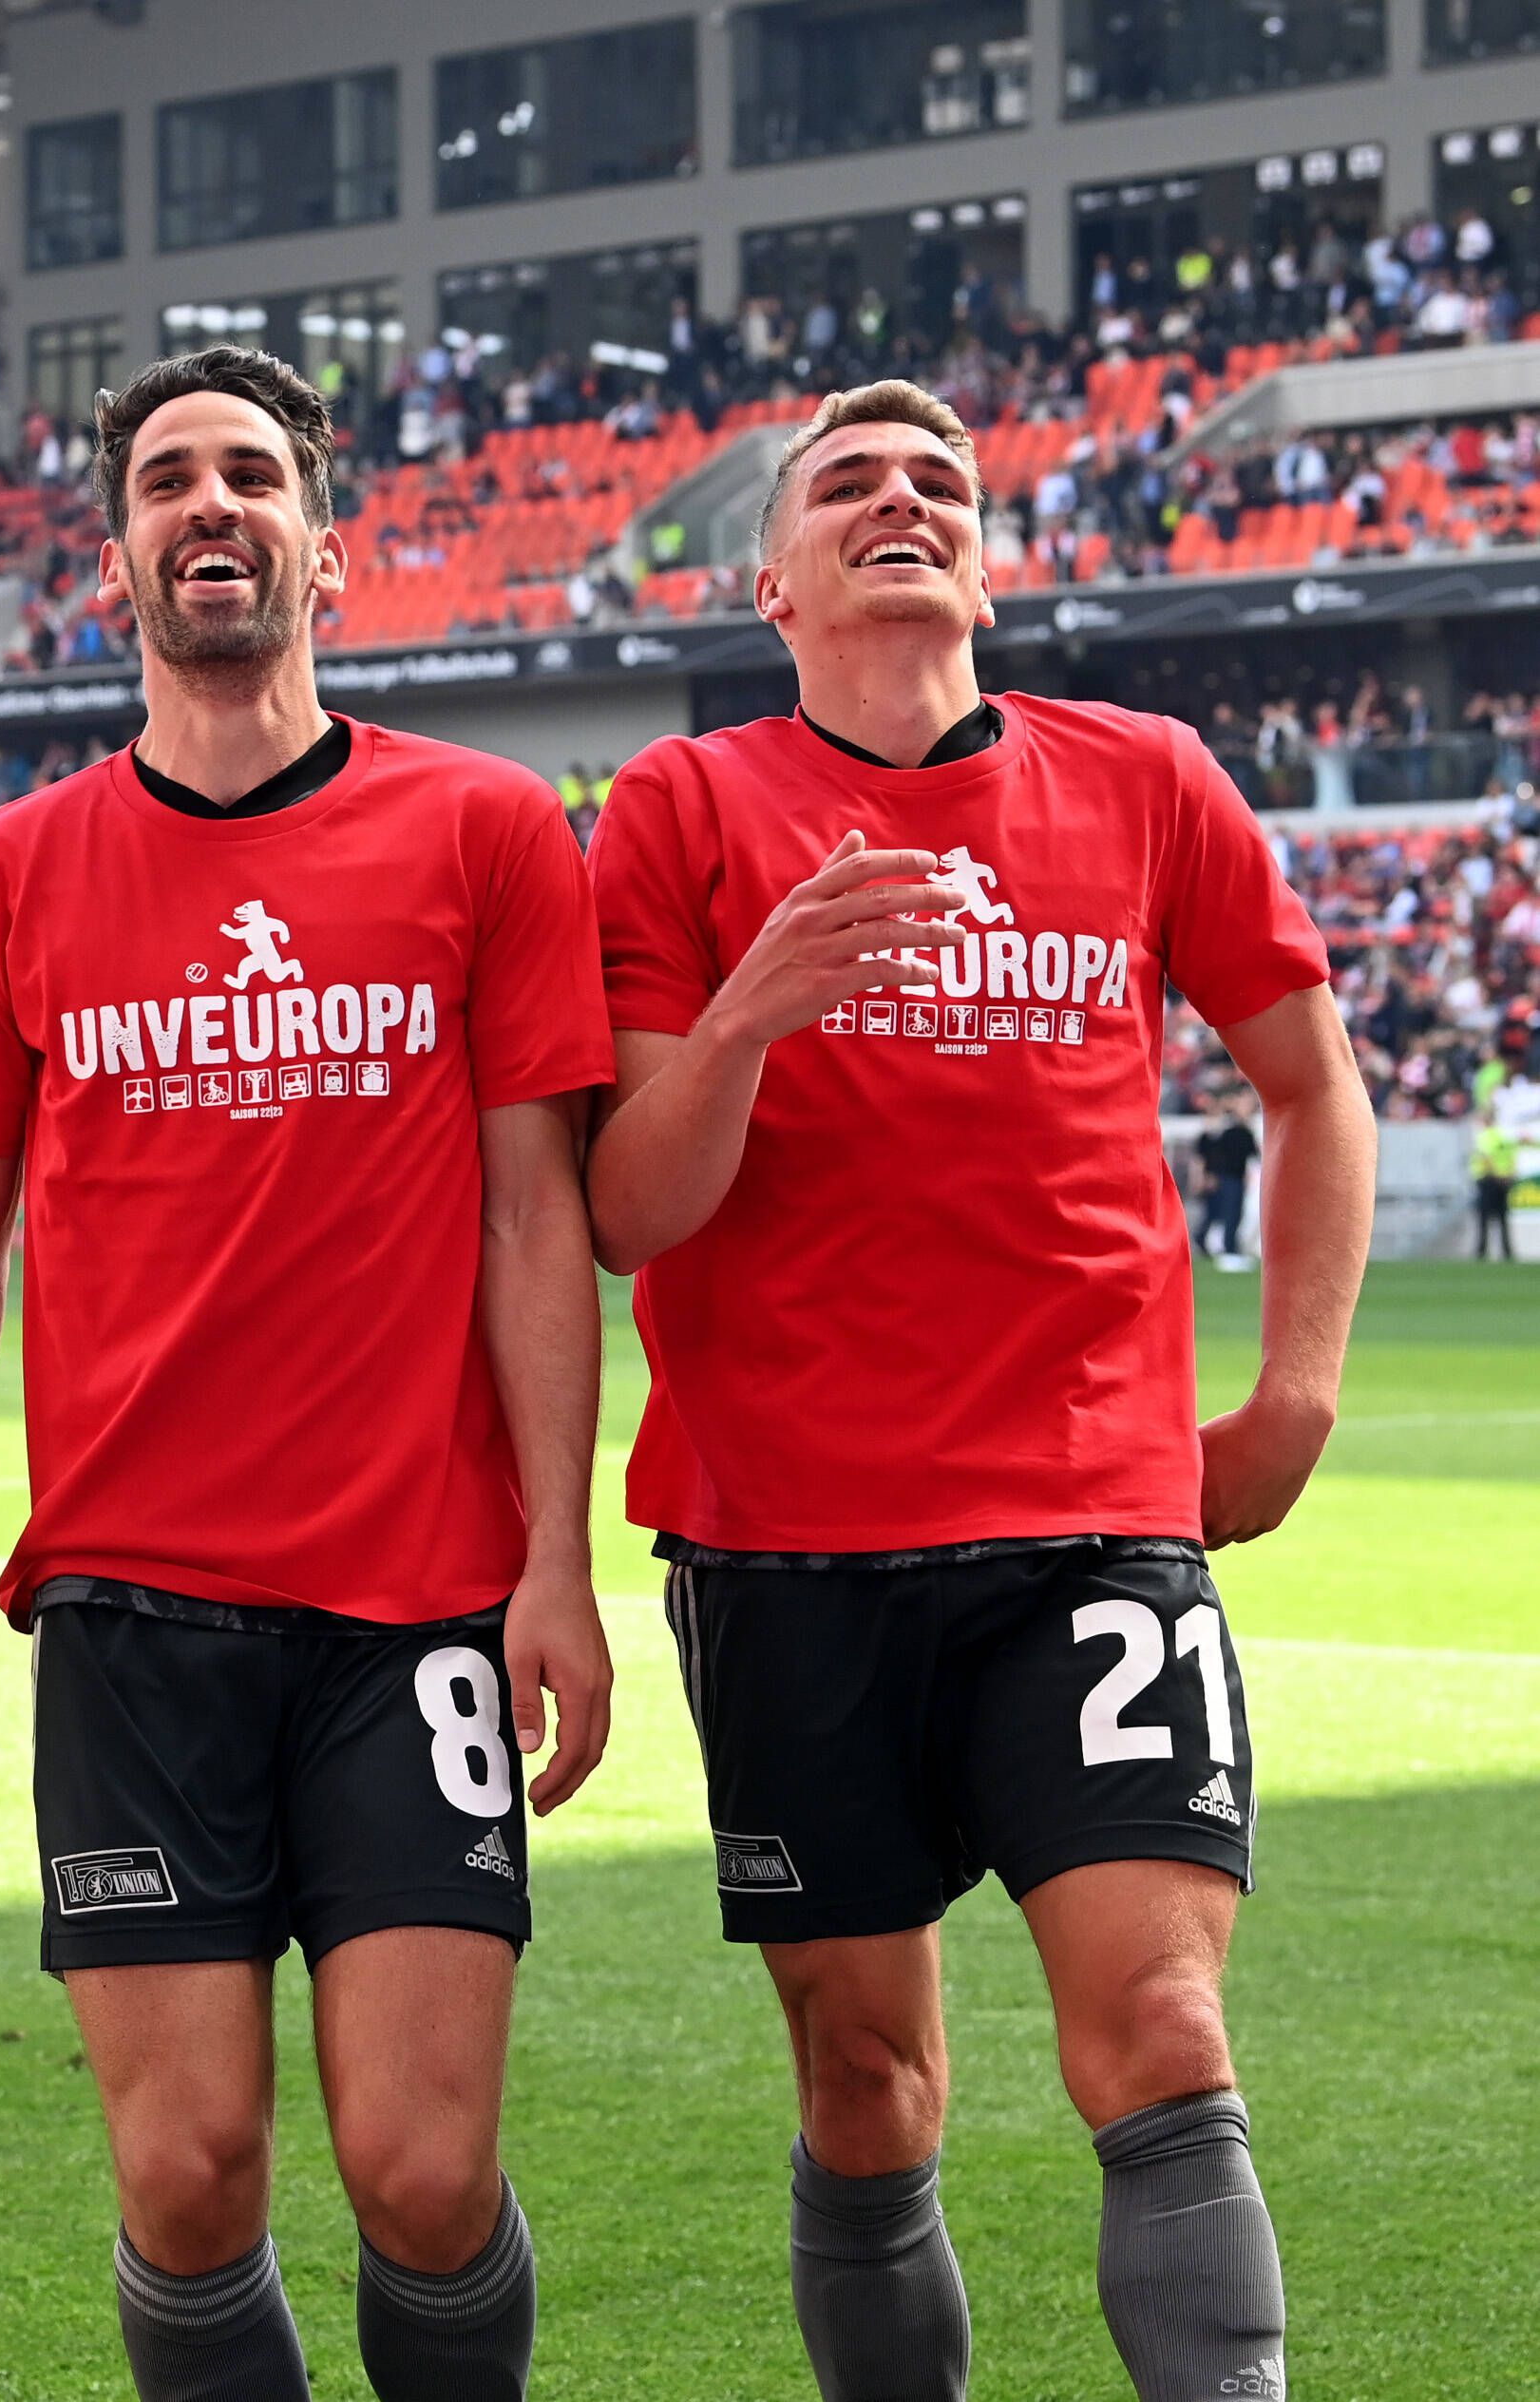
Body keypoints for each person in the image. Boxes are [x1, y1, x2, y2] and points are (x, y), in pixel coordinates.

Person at [0, 347, 615, 2402]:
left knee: (424, 2173)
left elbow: (543, 1221)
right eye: (169, 479)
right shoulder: (0, 876)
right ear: (117, 569)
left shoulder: (490, 827)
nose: (212, 505)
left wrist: (559, 1561)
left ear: (323, 549)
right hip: (132, 1608)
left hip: (414, 1600)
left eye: (252, 474)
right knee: (189, 2174)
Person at [585, 380, 1373, 2402]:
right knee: (870, 2081)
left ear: (992, 563)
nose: (902, 501)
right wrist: (756, 1005)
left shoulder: (1145, 779)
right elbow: (624, 1210)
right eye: (848, 485)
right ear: (771, 578)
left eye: (940, 483)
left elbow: (1311, 1081)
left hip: (1093, 1520)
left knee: (1167, 2031)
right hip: (788, 1541)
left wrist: (1291, 1391)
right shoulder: (681, 813)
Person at [1193, 1096, 1260, 1268]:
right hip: (1228, 1178)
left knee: (1234, 1214)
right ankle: (1228, 1250)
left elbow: (1253, 1157)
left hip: (1237, 1179)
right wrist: (1209, 1176)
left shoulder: (1245, 1132)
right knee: (1228, 1214)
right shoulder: (1229, 1133)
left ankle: (1229, 1247)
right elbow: (1215, 1156)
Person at [1473, 1115, 1519, 1261]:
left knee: (1484, 1218)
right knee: (1503, 1217)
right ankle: (1507, 1252)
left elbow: (1486, 1158)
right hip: (1504, 1181)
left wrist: (1496, 1175)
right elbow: (1512, 1157)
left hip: (1488, 1180)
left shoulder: (1485, 1136)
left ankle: (1482, 1251)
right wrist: (1508, 1175)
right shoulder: (1503, 1136)